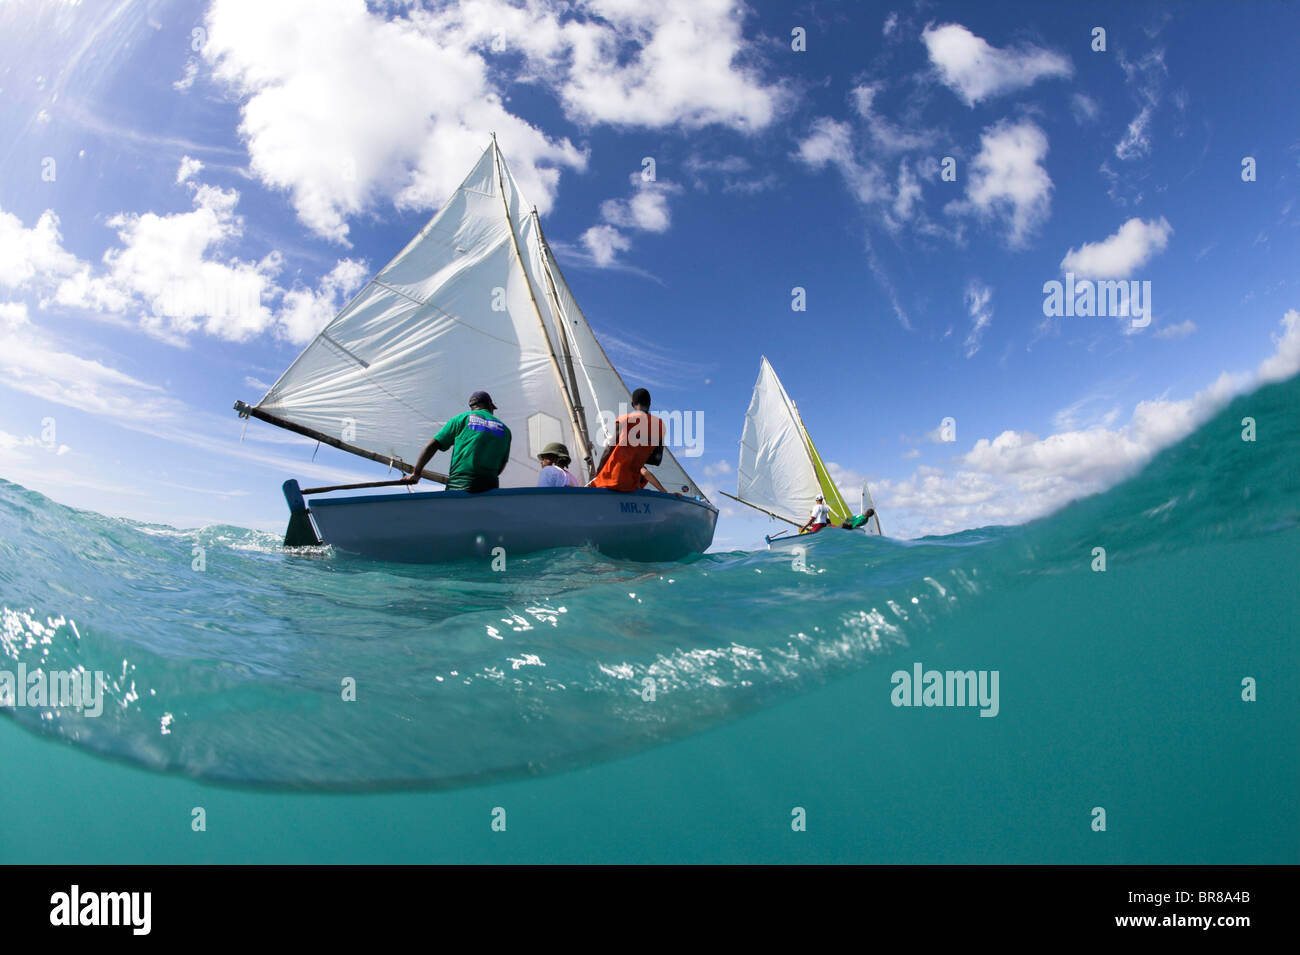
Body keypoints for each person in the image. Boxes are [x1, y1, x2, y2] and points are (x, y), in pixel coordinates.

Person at [400, 390, 511, 492]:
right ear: (490, 405)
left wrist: (416, 473)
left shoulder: (461, 419)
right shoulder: (505, 430)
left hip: (460, 486)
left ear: (472, 407)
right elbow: (501, 466)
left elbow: (432, 445)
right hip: (490, 488)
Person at [590, 387, 677, 495]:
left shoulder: (623, 420)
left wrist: (598, 472)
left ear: (632, 404)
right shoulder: (660, 426)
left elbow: (609, 449)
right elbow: (656, 460)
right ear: (649, 404)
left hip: (608, 480)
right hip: (631, 487)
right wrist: (637, 454)